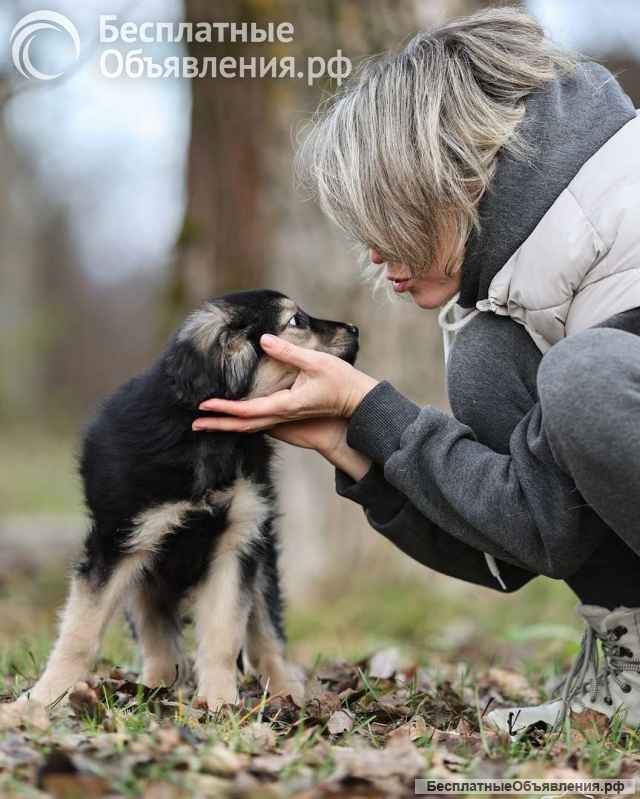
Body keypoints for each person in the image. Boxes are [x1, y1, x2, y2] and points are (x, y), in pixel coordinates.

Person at [193, 8, 640, 734]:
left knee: (582, 377)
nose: (372, 253)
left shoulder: (626, 222)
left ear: (441, 180)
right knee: (493, 358)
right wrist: (355, 438)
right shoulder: (533, 290)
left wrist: (376, 406)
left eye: (379, 217)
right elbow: (533, 534)